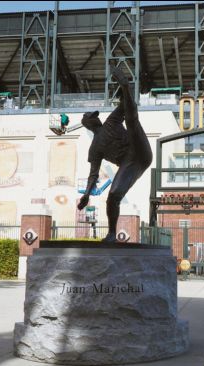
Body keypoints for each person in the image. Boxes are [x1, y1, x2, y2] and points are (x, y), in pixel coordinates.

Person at [77, 66, 152, 243]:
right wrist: (87, 194)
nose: (97, 117)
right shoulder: (94, 149)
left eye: (95, 115)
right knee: (113, 196)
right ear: (89, 123)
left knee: (131, 119)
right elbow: (93, 174)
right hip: (130, 163)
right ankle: (112, 234)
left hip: (139, 148)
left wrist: (126, 88)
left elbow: (126, 105)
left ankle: (125, 84)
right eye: (92, 117)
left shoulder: (111, 121)